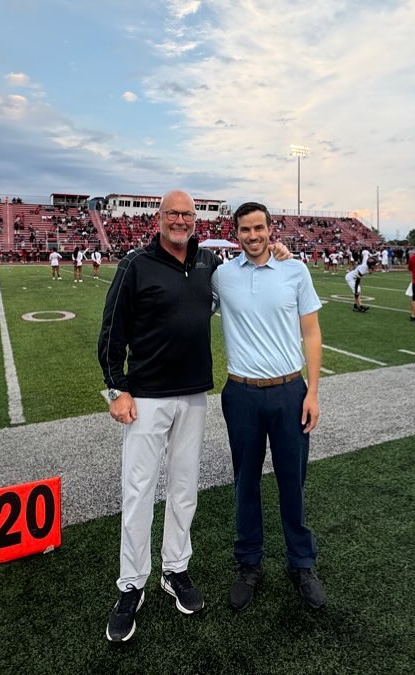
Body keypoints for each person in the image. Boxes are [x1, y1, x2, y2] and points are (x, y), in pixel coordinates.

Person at [98, 190, 289, 643]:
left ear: (195, 219)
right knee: (139, 490)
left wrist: (278, 254)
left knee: (184, 487)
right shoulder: (135, 264)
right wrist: (117, 389)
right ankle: (131, 584)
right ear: (159, 218)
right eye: (173, 213)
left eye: (187, 214)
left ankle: (175, 569)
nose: (180, 220)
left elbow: (245, 276)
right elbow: (111, 332)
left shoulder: (208, 263)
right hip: (146, 397)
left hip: (194, 394)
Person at [212, 202, 326, 613]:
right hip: (241, 392)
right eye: (245, 229)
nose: (253, 235)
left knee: (292, 480)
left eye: (259, 228)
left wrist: (313, 392)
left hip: (289, 391)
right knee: (245, 481)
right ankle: (249, 563)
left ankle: (301, 563)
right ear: (236, 233)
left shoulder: (295, 270)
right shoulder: (222, 275)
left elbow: (312, 334)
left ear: (270, 229)